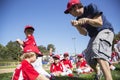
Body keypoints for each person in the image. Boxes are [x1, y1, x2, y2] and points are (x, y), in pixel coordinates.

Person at [64, 0, 114, 80]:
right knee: (88, 58)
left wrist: (87, 20)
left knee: (97, 49)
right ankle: (98, 72)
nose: (70, 13)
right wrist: (77, 26)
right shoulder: (78, 18)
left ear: (76, 7)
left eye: (70, 11)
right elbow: (84, 33)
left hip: (104, 30)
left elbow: (100, 22)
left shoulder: (91, 7)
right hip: (93, 36)